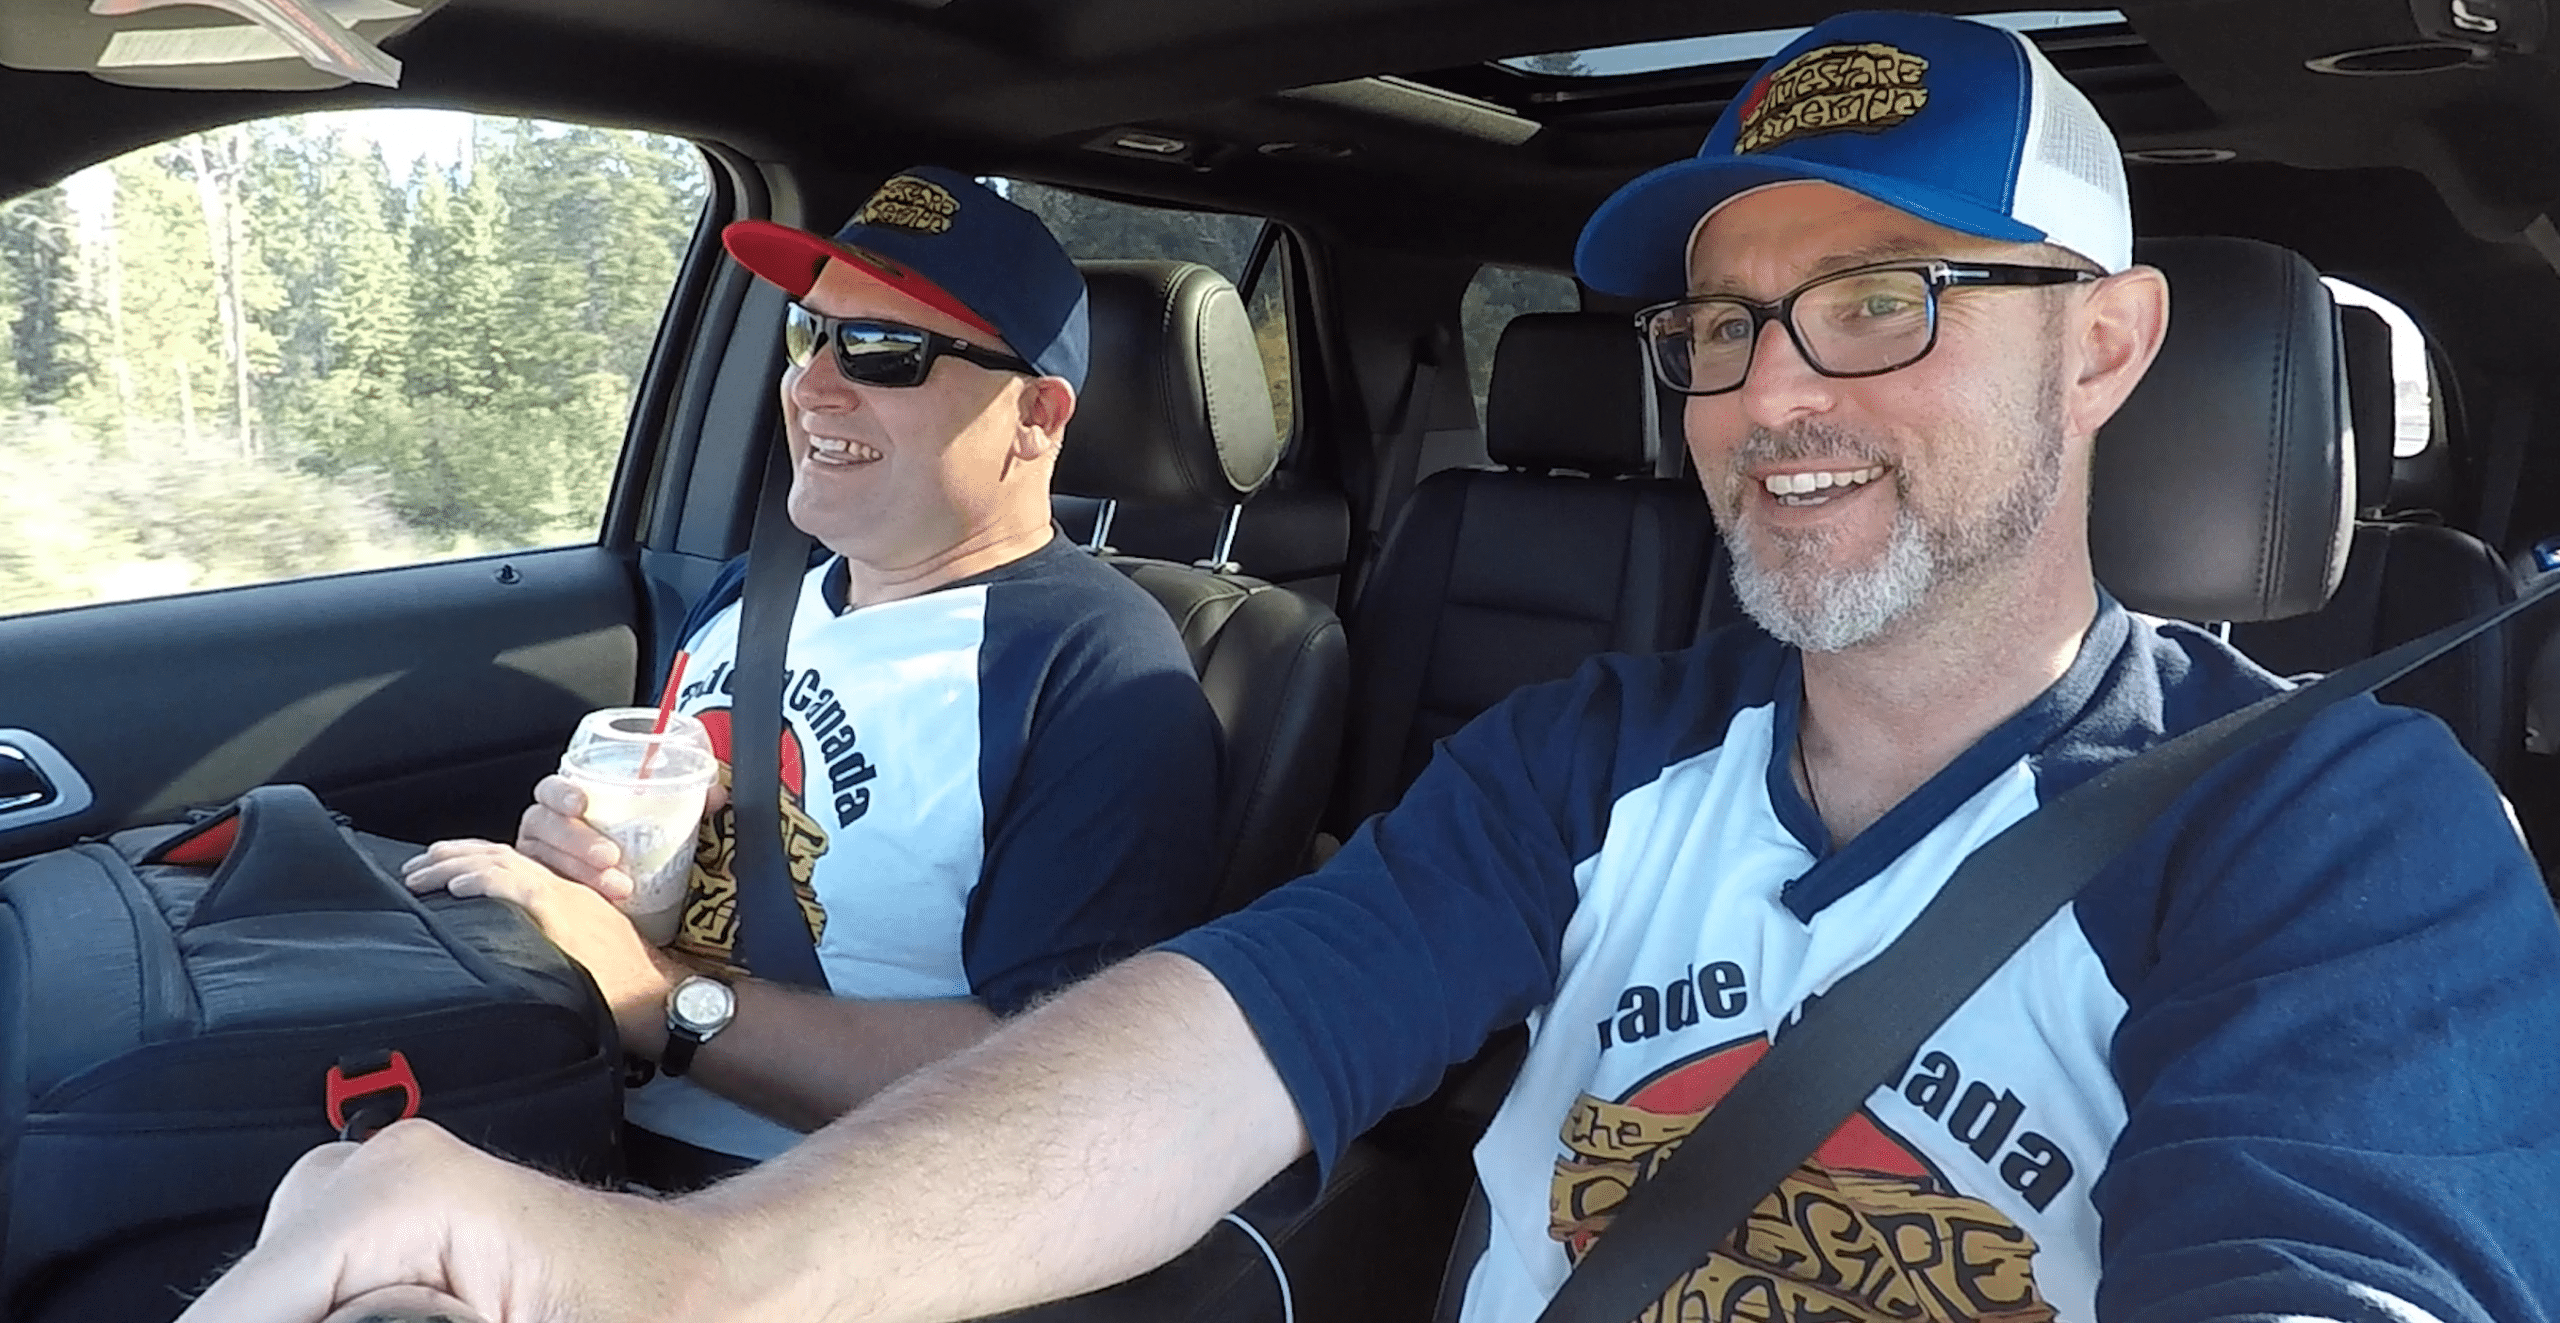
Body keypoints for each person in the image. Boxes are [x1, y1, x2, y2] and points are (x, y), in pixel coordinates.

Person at [182, 14, 2560, 1323]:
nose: (1767, 396)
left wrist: (662, 1011)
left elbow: (2326, 1265)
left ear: (2105, 348)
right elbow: (1206, 1045)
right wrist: (666, 1280)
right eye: (1717, 325)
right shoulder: (1584, 761)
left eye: (1879, 302)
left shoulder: (2335, 834)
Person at [397, 165, 1222, 1185]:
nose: (810, 385)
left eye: (881, 350)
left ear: (1037, 417)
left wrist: (652, 994)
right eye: (808, 334)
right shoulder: (752, 594)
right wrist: (604, 883)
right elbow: (679, 902)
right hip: (577, 1114)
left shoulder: (1098, 674)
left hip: (807, 1210)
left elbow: (1045, 1082)